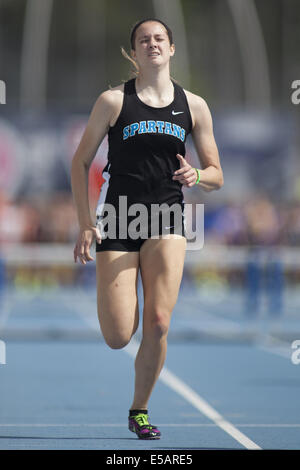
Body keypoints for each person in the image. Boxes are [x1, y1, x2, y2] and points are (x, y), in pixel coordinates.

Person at [71, 18, 223, 440]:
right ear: (133, 52)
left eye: (159, 39)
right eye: (144, 40)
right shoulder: (113, 101)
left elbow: (216, 174)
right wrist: (85, 223)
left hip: (168, 218)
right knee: (120, 336)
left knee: (158, 321)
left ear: (172, 48)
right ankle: (124, 305)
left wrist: (198, 176)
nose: (152, 44)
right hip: (118, 218)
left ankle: (140, 409)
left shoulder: (194, 106)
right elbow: (80, 161)